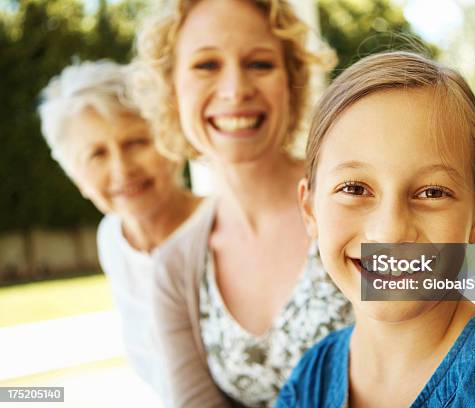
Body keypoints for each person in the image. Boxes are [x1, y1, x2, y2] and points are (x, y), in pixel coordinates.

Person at [277, 51, 475, 407]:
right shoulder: (310, 379)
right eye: (354, 188)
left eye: (432, 192)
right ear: (309, 209)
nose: (390, 232)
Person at [132, 0, 353, 406]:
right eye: (206, 65)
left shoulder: (360, 192)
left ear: (291, 80)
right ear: (171, 88)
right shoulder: (175, 271)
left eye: (259, 64)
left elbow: (466, 302)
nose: (235, 90)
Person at [38, 60, 209, 407]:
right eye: (97, 154)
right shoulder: (112, 239)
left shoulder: (223, 225)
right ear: (76, 176)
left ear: (170, 146)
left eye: (135, 143)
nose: (122, 169)